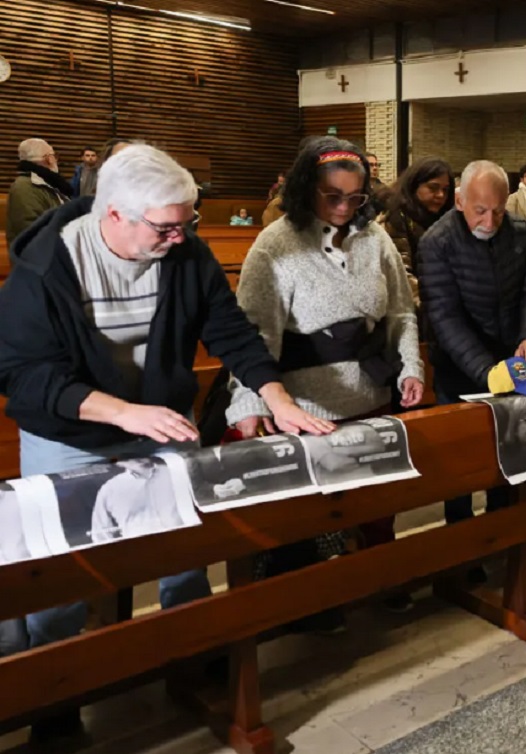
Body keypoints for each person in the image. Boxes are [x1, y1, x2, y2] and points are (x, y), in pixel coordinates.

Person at [0, 144, 331, 743]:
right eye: (167, 227)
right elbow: (26, 377)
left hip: (159, 418)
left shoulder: (185, 252)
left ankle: (188, 653)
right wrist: (124, 413)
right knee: (64, 566)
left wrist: (277, 397)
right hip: (72, 432)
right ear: (114, 215)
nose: (180, 238)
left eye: (188, 224)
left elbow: (229, 328)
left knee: (185, 543)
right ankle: (55, 695)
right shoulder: (46, 267)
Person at [227, 137, 425, 614]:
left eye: (355, 197)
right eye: (331, 196)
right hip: (308, 412)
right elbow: (252, 335)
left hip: (372, 397)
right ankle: (313, 603)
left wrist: (411, 366)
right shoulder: (275, 244)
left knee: (376, 507)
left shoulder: (373, 237)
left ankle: (375, 579)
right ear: (304, 190)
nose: (343, 208)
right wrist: (252, 403)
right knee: (313, 520)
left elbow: (401, 311)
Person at [418, 159, 526, 532]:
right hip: (460, 369)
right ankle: (462, 540)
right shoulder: (436, 242)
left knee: (508, 450)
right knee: (460, 463)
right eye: (479, 211)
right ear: (459, 201)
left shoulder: (521, 232)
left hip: (509, 358)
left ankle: (502, 529)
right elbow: (444, 317)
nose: (490, 223)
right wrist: (487, 371)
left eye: (497, 210)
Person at [383, 157, 454, 296]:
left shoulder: (447, 218)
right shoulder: (397, 217)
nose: (440, 195)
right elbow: (401, 273)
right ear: (414, 186)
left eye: (445, 190)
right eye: (433, 188)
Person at [90, 459, 183, 543]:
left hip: (184, 541)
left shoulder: (176, 473)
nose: (134, 458)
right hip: (140, 551)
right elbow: (101, 534)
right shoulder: (110, 488)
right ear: (119, 463)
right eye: (127, 455)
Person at [6, 138, 72, 242]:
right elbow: (31, 230)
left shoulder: (48, 183)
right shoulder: (24, 187)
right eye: (53, 156)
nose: (55, 160)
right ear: (48, 158)